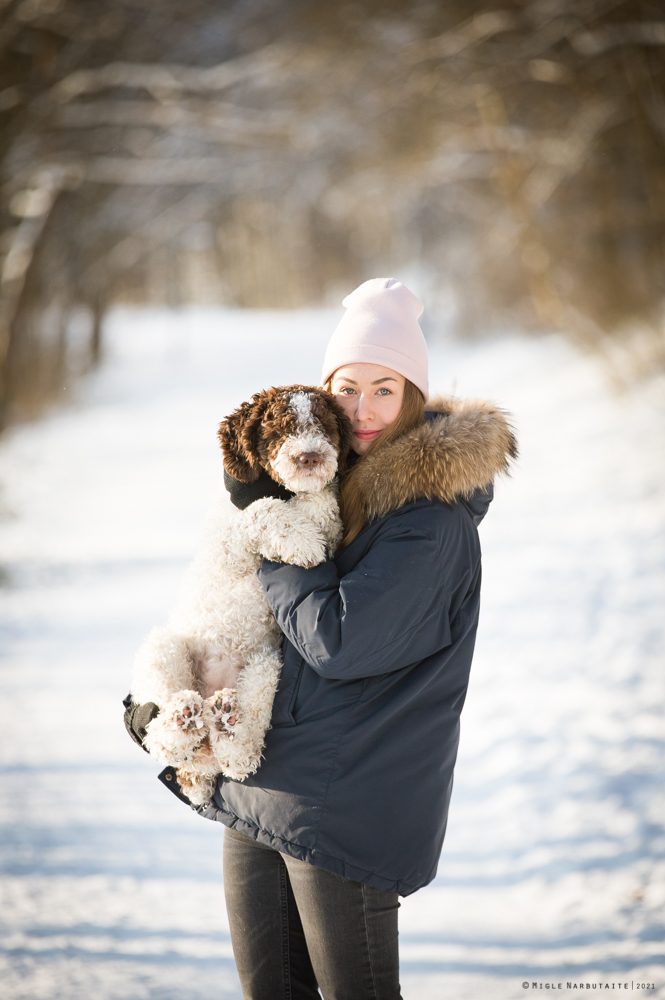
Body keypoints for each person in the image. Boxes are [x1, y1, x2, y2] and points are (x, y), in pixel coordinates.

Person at [125, 277, 516, 999]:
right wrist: (160, 702)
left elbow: (339, 642)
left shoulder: (429, 521)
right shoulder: (330, 490)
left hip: (345, 810)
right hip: (266, 786)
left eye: (383, 389)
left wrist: (268, 535)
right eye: (344, 388)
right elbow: (248, 620)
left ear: (412, 397)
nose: (360, 410)